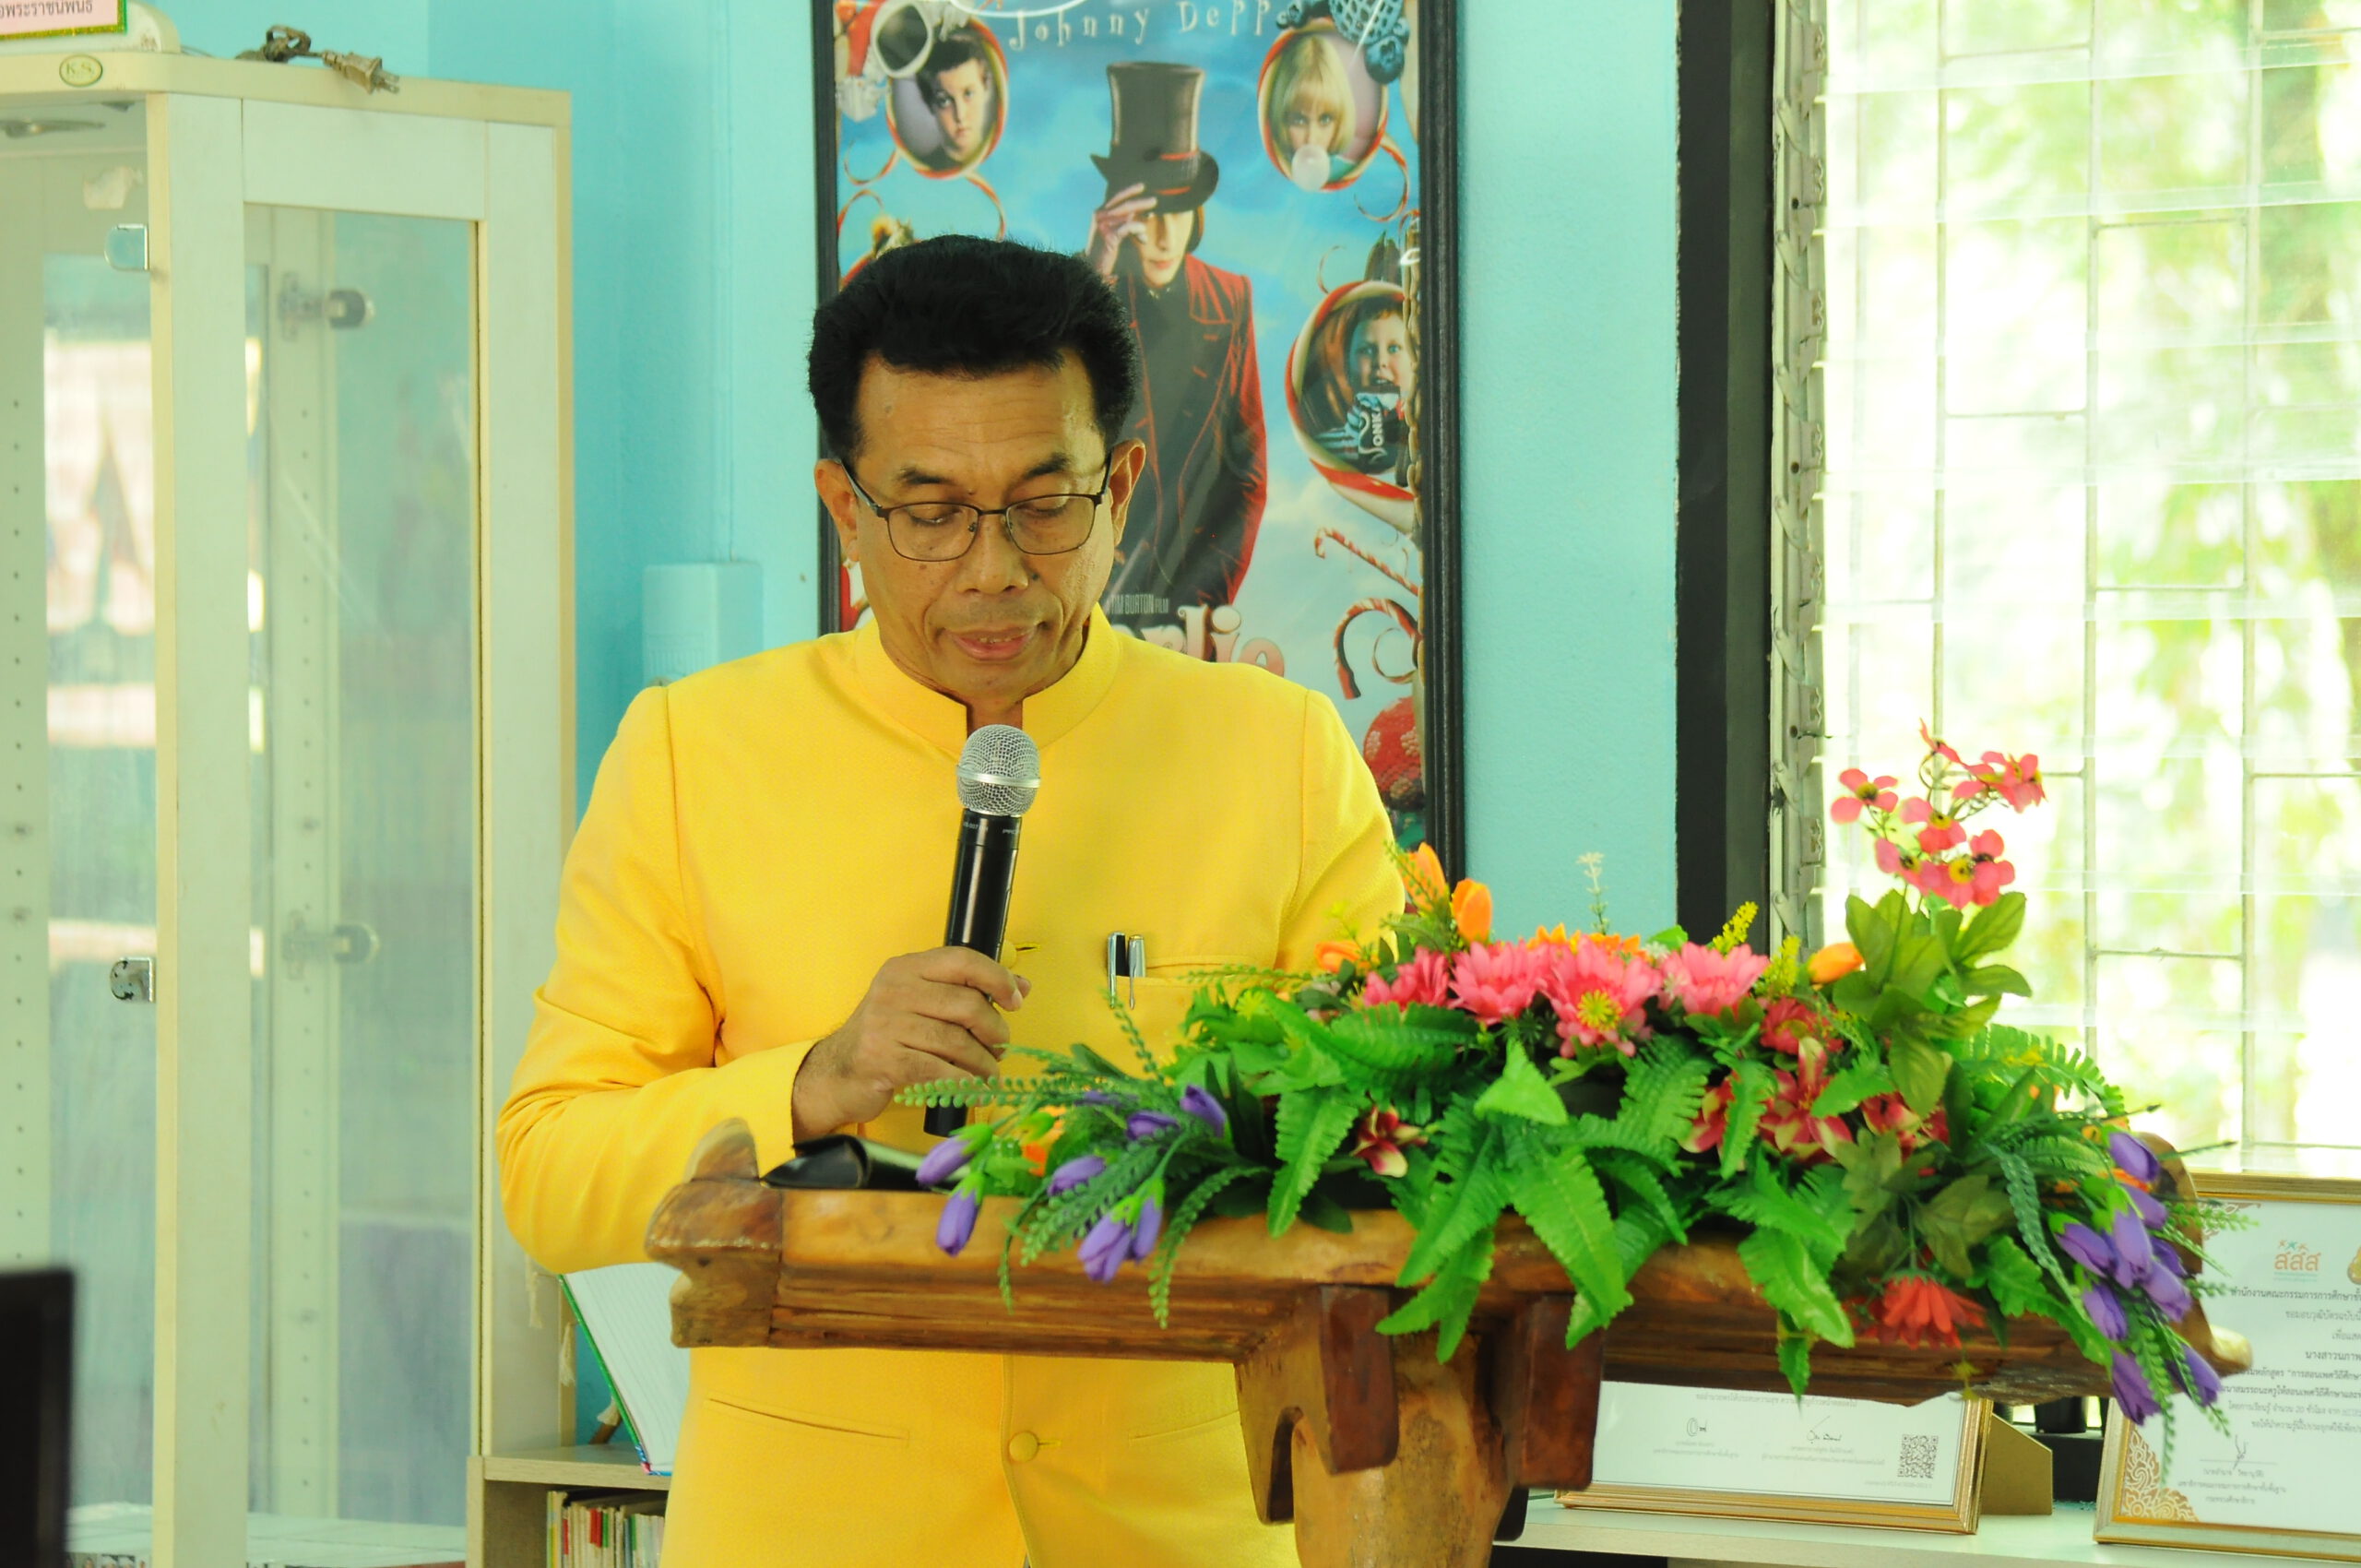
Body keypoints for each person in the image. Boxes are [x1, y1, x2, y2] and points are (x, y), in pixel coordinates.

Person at [496, 236, 1397, 1567]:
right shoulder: (694, 752)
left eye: (1045, 503)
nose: (992, 569)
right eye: (929, 513)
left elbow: (1395, 1145)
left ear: (1122, 489)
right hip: (816, 1533)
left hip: (1182, 1524)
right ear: (844, 508)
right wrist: (812, 1082)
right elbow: (549, 1169)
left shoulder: (1282, 755)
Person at [1082, 62, 1268, 632]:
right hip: (1093, 595)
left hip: (1195, 602)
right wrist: (1095, 268)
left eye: (1177, 212)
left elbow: (1246, 474)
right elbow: (1048, 423)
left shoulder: (1230, 299)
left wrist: (1203, 600)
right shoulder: (1091, 296)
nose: (1164, 236)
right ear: (1121, 214)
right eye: (1149, 213)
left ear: (1197, 214)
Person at [1303, 287, 1415, 477]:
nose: (1380, 361)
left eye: (1394, 348)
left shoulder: (1431, 443)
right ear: (1348, 368)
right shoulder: (1324, 451)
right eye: (1366, 350)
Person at [1265, 30, 1358, 189]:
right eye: (1299, 121)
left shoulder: (1350, 176)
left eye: (1325, 119)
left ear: (1340, 121)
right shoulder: (1264, 175)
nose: (1311, 139)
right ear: (1282, 117)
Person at [914, 26, 996, 169]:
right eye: (944, 101)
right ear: (930, 104)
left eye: (968, 94)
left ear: (986, 88)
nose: (960, 115)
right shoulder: (923, 167)